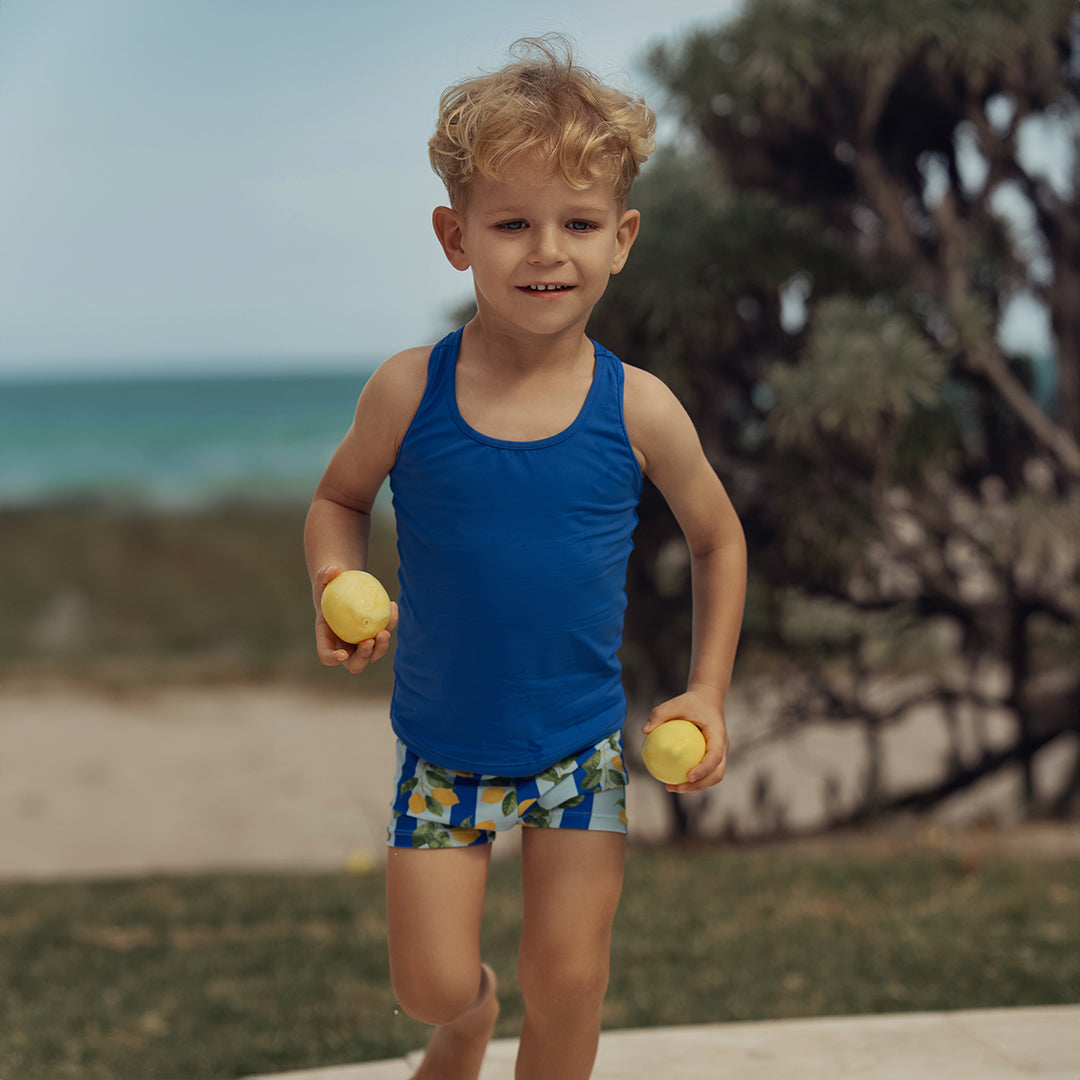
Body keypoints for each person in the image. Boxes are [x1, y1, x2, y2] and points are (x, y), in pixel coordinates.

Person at [304, 36, 747, 1080]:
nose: (547, 250)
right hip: (443, 752)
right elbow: (337, 500)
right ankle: (466, 1026)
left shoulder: (638, 407)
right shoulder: (409, 391)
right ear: (456, 237)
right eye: (511, 223)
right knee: (428, 984)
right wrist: (332, 581)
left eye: (578, 224)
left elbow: (718, 539)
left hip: (579, 753)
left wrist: (708, 693)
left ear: (621, 238)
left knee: (572, 986)